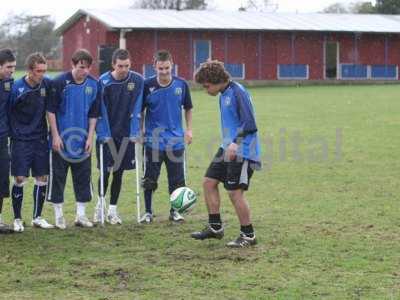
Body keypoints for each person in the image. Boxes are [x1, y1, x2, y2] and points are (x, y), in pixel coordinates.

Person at [192, 60, 261, 248]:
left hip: (243, 151)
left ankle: (248, 235)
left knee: (234, 192)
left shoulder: (238, 92)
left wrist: (235, 143)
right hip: (227, 148)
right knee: (209, 182)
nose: (206, 90)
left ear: (216, 80)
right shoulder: (224, 94)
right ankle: (215, 227)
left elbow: (250, 124)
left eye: (206, 86)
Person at [47, 49, 100, 229]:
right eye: (80, 67)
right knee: (58, 177)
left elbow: (94, 114)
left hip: (82, 141)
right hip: (61, 140)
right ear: (73, 65)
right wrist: (55, 135)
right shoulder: (60, 82)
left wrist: (90, 138)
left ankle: (81, 215)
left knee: (83, 178)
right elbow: (51, 111)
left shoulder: (94, 84)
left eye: (86, 68)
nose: (83, 71)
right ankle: (59, 215)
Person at [140, 49, 193, 223]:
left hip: (176, 141)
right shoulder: (146, 85)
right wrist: (140, 130)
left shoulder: (181, 85)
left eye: (167, 68)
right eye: (160, 68)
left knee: (177, 180)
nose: (164, 72)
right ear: (154, 66)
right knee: (150, 179)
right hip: (153, 141)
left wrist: (189, 129)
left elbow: (188, 108)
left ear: (172, 65)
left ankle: (175, 211)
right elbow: (139, 110)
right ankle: (148, 212)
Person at [94, 48, 144, 225]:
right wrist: (103, 133)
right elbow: (100, 110)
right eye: (120, 66)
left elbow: (139, 107)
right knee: (106, 172)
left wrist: (135, 132)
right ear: (113, 65)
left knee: (119, 173)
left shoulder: (137, 80)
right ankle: (100, 205)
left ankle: (113, 210)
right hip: (107, 135)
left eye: (127, 66)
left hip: (126, 135)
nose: (124, 69)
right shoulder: (104, 81)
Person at [9, 52, 54, 232]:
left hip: (40, 138)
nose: (41, 74)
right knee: (20, 178)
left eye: (44, 71)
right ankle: (18, 218)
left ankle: (37, 217)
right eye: (38, 71)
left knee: (42, 177)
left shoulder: (47, 84)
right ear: (29, 70)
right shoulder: (16, 88)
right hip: (20, 140)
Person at [0, 49, 16, 234]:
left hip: (2, 139)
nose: (12, 70)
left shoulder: (9, 84)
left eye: (13, 66)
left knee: (2, 179)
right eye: (8, 67)